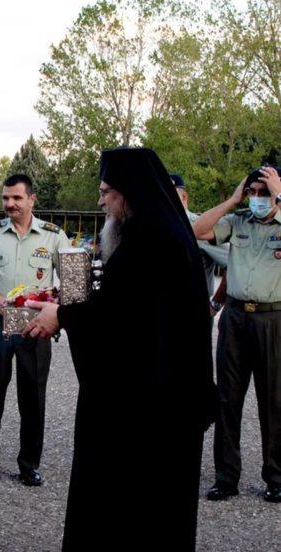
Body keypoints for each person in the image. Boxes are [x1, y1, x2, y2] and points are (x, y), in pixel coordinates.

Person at [23, 147, 216, 551]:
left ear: (129, 192)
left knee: (129, 514)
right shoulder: (161, 234)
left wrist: (63, 315)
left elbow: (121, 321)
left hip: (144, 414)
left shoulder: (151, 240)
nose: (101, 202)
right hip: (159, 406)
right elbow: (127, 311)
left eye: (106, 191)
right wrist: (68, 310)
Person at [0, 174, 70, 486]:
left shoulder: (53, 236)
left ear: (32, 200)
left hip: (35, 324)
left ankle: (29, 465)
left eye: (16, 198)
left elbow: (71, 281)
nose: (9, 204)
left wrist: (55, 309)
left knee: (33, 396)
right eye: (5, 198)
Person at [193, 165, 281, 503]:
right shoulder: (239, 221)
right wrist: (232, 200)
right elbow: (198, 230)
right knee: (228, 399)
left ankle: (276, 476)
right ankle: (226, 477)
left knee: (273, 401)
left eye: (264, 192)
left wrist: (280, 195)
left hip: (272, 319)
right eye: (253, 192)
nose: (257, 198)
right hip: (235, 318)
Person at [169, 173, 229, 314]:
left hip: (192, 309)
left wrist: (216, 303)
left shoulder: (201, 228)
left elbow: (234, 263)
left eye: (169, 194)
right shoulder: (157, 227)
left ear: (184, 197)